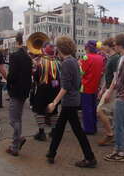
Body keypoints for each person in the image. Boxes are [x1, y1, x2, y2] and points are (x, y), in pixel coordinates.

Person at [45, 36, 97, 168]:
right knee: (61, 128)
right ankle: (51, 153)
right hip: (73, 99)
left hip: (69, 101)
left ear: (60, 49)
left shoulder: (67, 63)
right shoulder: (73, 60)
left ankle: (90, 157)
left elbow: (65, 87)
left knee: (75, 131)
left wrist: (54, 103)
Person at [101, 34, 124, 162]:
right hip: (121, 95)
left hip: (122, 96)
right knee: (120, 121)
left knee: (118, 124)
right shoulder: (123, 58)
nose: (113, 46)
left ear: (120, 45)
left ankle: (120, 152)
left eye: (115, 44)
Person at [5, 33, 33, 156]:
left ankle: (15, 145)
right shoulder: (28, 57)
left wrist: (8, 84)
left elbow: (12, 75)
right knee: (18, 117)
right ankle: (17, 140)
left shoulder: (14, 56)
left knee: (13, 120)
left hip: (15, 90)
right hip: (24, 90)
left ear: (16, 42)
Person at [30, 44, 61, 142]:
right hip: (55, 89)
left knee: (39, 110)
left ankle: (41, 132)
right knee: (54, 110)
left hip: (42, 89)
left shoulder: (40, 62)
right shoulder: (58, 62)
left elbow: (35, 76)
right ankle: (54, 131)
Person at [95, 38, 119, 146]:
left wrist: (108, 91)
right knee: (110, 113)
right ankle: (114, 134)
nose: (103, 47)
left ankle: (110, 134)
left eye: (104, 45)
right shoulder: (111, 58)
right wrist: (103, 89)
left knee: (100, 110)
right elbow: (108, 76)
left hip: (112, 90)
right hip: (109, 88)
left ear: (109, 46)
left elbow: (115, 77)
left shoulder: (115, 59)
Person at [80, 40, 105, 134]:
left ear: (88, 48)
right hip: (95, 87)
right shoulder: (100, 58)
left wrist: (80, 64)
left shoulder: (86, 57)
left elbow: (82, 72)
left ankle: (88, 129)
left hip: (86, 86)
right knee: (93, 108)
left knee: (86, 109)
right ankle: (94, 127)